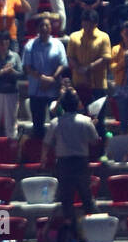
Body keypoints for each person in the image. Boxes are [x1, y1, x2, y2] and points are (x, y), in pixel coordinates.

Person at [42, 89, 98, 219]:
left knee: (66, 199)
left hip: (64, 163)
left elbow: (46, 143)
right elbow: (94, 141)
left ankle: (70, 228)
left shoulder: (56, 122)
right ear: (77, 103)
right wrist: (92, 125)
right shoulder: (85, 121)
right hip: (81, 162)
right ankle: (91, 226)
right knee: (86, 196)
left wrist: (43, 158)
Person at [23, 14, 68, 138]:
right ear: (37, 28)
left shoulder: (58, 44)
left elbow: (63, 64)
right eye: (41, 25)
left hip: (53, 92)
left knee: (57, 124)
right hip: (36, 92)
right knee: (38, 126)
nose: (44, 28)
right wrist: (43, 78)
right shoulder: (30, 45)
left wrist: (52, 78)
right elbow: (27, 67)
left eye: (47, 25)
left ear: (51, 28)